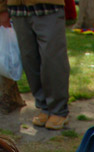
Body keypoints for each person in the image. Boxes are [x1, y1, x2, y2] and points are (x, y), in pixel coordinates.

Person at [0, 0, 70, 129]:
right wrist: (2, 8)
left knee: (52, 59)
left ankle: (58, 110)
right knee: (29, 59)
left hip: (48, 7)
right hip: (18, 9)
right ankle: (44, 107)